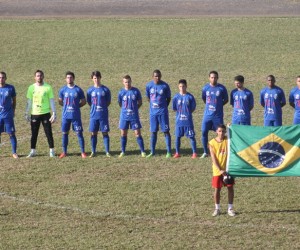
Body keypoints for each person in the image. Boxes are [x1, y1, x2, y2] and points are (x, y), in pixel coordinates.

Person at [25, 70, 56, 157]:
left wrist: (54, 113)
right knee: (34, 133)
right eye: (37, 76)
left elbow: (51, 100)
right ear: (35, 77)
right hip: (34, 113)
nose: (39, 77)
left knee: (48, 132)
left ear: (43, 76)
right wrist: (26, 112)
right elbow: (29, 101)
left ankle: (51, 150)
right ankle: (33, 151)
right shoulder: (31, 88)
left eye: (41, 75)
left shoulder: (48, 87)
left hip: (46, 113)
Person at [58, 71, 87, 158]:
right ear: (65, 79)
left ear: (73, 78)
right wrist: (67, 107)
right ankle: (64, 152)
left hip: (75, 116)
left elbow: (84, 101)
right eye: (67, 77)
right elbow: (60, 101)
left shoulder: (78, 90)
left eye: (71, 77)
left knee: (79, 133)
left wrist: (76, 107)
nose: (69, 79)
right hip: (65, 116)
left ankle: (83, 152)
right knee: (64, 133)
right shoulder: (63, 90)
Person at [209, 124, 235, 217]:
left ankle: (230, 208)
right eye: (219, 131)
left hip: (229, 169)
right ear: (216, 131)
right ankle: (217, 208)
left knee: (230, 188)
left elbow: (236, 135)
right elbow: (213, 157)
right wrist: (220, 170)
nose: (221, 133)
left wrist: (230, 127)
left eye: (223, 131)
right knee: (217, 189)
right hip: (217, 170)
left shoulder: (228, 140)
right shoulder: (212, 142)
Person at [201, 71, 228, 158]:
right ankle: (205, 151)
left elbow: (226, 99)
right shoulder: (205, 88)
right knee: (204, 132)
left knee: (221, 133)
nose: (213, 79)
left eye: (215, 77)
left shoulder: (222, 88)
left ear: (217, 78)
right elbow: (204, 99)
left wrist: (219, 105)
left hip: (217, 116)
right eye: (212, 77)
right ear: (209, 78)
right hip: (207, 115)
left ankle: (221, 150)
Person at [118, 75, 146, 157]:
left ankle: (142, 151)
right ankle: (123, 151)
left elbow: (140, 102)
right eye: (126, 82)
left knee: (137, 133)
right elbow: (120, 103)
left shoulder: (136, 91)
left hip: (134, 116)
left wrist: (135, 109)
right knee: (123, 134)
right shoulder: (121, 92)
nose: (127, 83)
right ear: (123, 82)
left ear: (131, 81)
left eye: (129, 81)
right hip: (124, 116)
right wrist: (125, 110)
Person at [145, 69, 172, 158]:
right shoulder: (149, 86)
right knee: (153, 132)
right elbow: (148, 97)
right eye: (156, 76)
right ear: (153, 77)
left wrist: (163, 106)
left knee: (166, 131)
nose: (158, 78)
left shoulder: (165, 86)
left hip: (163, 113)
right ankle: (152, 152)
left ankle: (169, 152)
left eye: (159, 76)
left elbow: (168, 98)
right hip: (153, 113)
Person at [86, 71, 111, 158]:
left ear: (100, 78)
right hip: (93, 115)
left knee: (105, 133)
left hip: (103, 115)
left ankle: (107, 152)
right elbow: (89, 102)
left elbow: (108, 102)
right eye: (94, 78)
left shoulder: (105, 90)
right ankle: (93, 151)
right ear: (92, 79)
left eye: (98, 77)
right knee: (93, 133)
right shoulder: (89, 90)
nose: (96, 80)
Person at [172, 79, 197, 158]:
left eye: (183, 86)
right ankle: (177, 153)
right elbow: (174, 108)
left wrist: (187, 114)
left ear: (186, 86)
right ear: (178, 87)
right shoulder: (176, 97)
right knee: (177, 137)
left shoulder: (190, 97)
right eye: (180, 86)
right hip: (179, 121)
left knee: (191, 137)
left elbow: (193, 108)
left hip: (188, 121)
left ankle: (194, 153)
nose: (182, 88)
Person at [0, 72, 18, 158]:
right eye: (0, 77)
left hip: (8, 116)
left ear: (5, 78)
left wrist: (13, 110)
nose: (1, 79)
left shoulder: (10, 88)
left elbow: (14, 100)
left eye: (3, 77)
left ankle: (14, 152)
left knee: (11, 133)